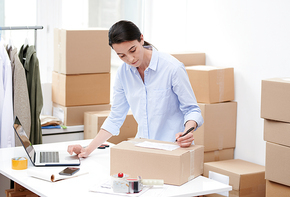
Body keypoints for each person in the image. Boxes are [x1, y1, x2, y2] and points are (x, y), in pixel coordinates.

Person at [67, 20, 204, 158]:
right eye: (122, 56)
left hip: (173, 150)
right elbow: (115, 117)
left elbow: (192, 110)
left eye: (133, 50)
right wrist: (87, 149)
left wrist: (187, 132)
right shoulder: (123, 74)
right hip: (142, 149)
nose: (130, 59)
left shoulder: (172, 68)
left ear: (141, 39)